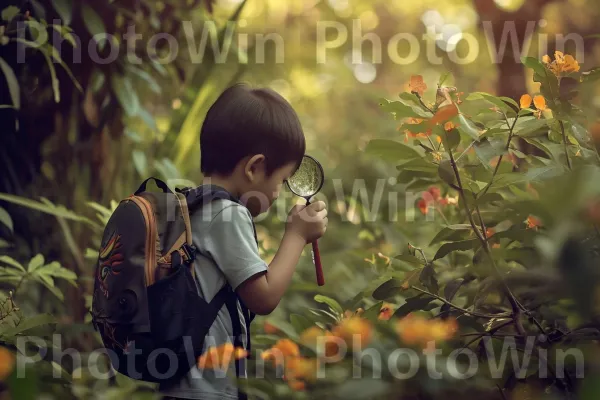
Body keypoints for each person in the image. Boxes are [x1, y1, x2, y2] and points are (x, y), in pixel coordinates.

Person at [160, 83, 328, 399]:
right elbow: (263, 298)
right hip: (204, 390)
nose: (279, 192)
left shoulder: (191, 207)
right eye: (279, 181)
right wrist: (296, 235)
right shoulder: (226, 214)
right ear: (254, 168)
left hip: (181, 384)